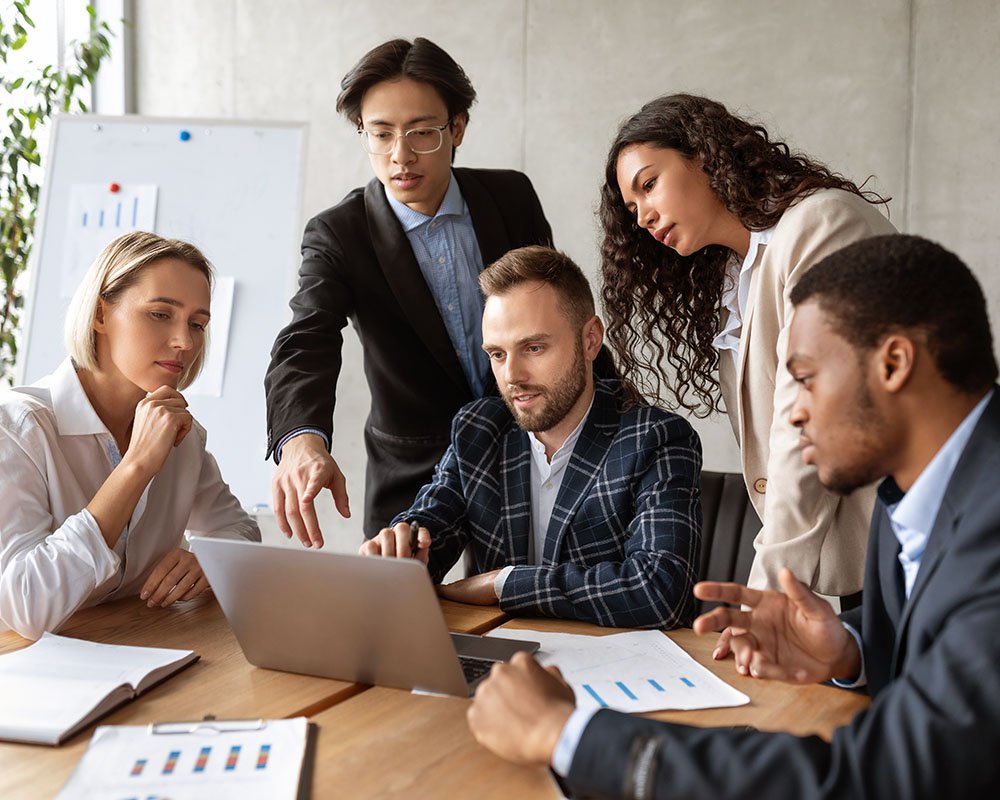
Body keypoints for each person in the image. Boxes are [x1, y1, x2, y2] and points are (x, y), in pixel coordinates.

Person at [467, 234, 1000, 798]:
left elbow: (875, 777)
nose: (794, 413)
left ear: (894, 363)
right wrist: (852, 647)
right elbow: (951, 635)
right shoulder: (917, 488)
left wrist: (567, 733)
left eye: (806, 377)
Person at [600, 93, 897, 610]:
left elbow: (807, 425)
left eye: (649, 185)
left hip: (916, 541)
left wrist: (767, 591)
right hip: (863, 563)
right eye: (632, 208)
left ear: (703, 154)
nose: (644, 216)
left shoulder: (822, 226)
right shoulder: (737, 282)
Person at [265, 37, 555, 547]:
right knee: (394, 618)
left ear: (457, 127)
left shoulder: (511, 198)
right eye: (380, 134)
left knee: (530, 612)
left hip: (525, 452)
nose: (401, 156)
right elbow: (307, 338)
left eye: (422, 133)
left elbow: (557, 319)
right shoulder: (340, 233)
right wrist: (300, 440)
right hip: (411, 470)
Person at [360, 246, 701, 629]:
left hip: (621, 674)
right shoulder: (478, 430)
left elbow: (660, 592)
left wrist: (504, 582)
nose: (511, 376)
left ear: (590, 340)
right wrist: (400, 550)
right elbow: (430, 527)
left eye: (533, 348)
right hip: (502, 663)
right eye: (497, 354)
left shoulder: (656, 439)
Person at [0, 232, 260, 640]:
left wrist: (210, 562)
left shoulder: (182, 437)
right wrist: (135, 467)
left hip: (141, 653)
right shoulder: (16, 428)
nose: (185, 342)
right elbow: (26, 606)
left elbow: (238, 529)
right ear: (100, 315)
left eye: (197, 324)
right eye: (160, 314)